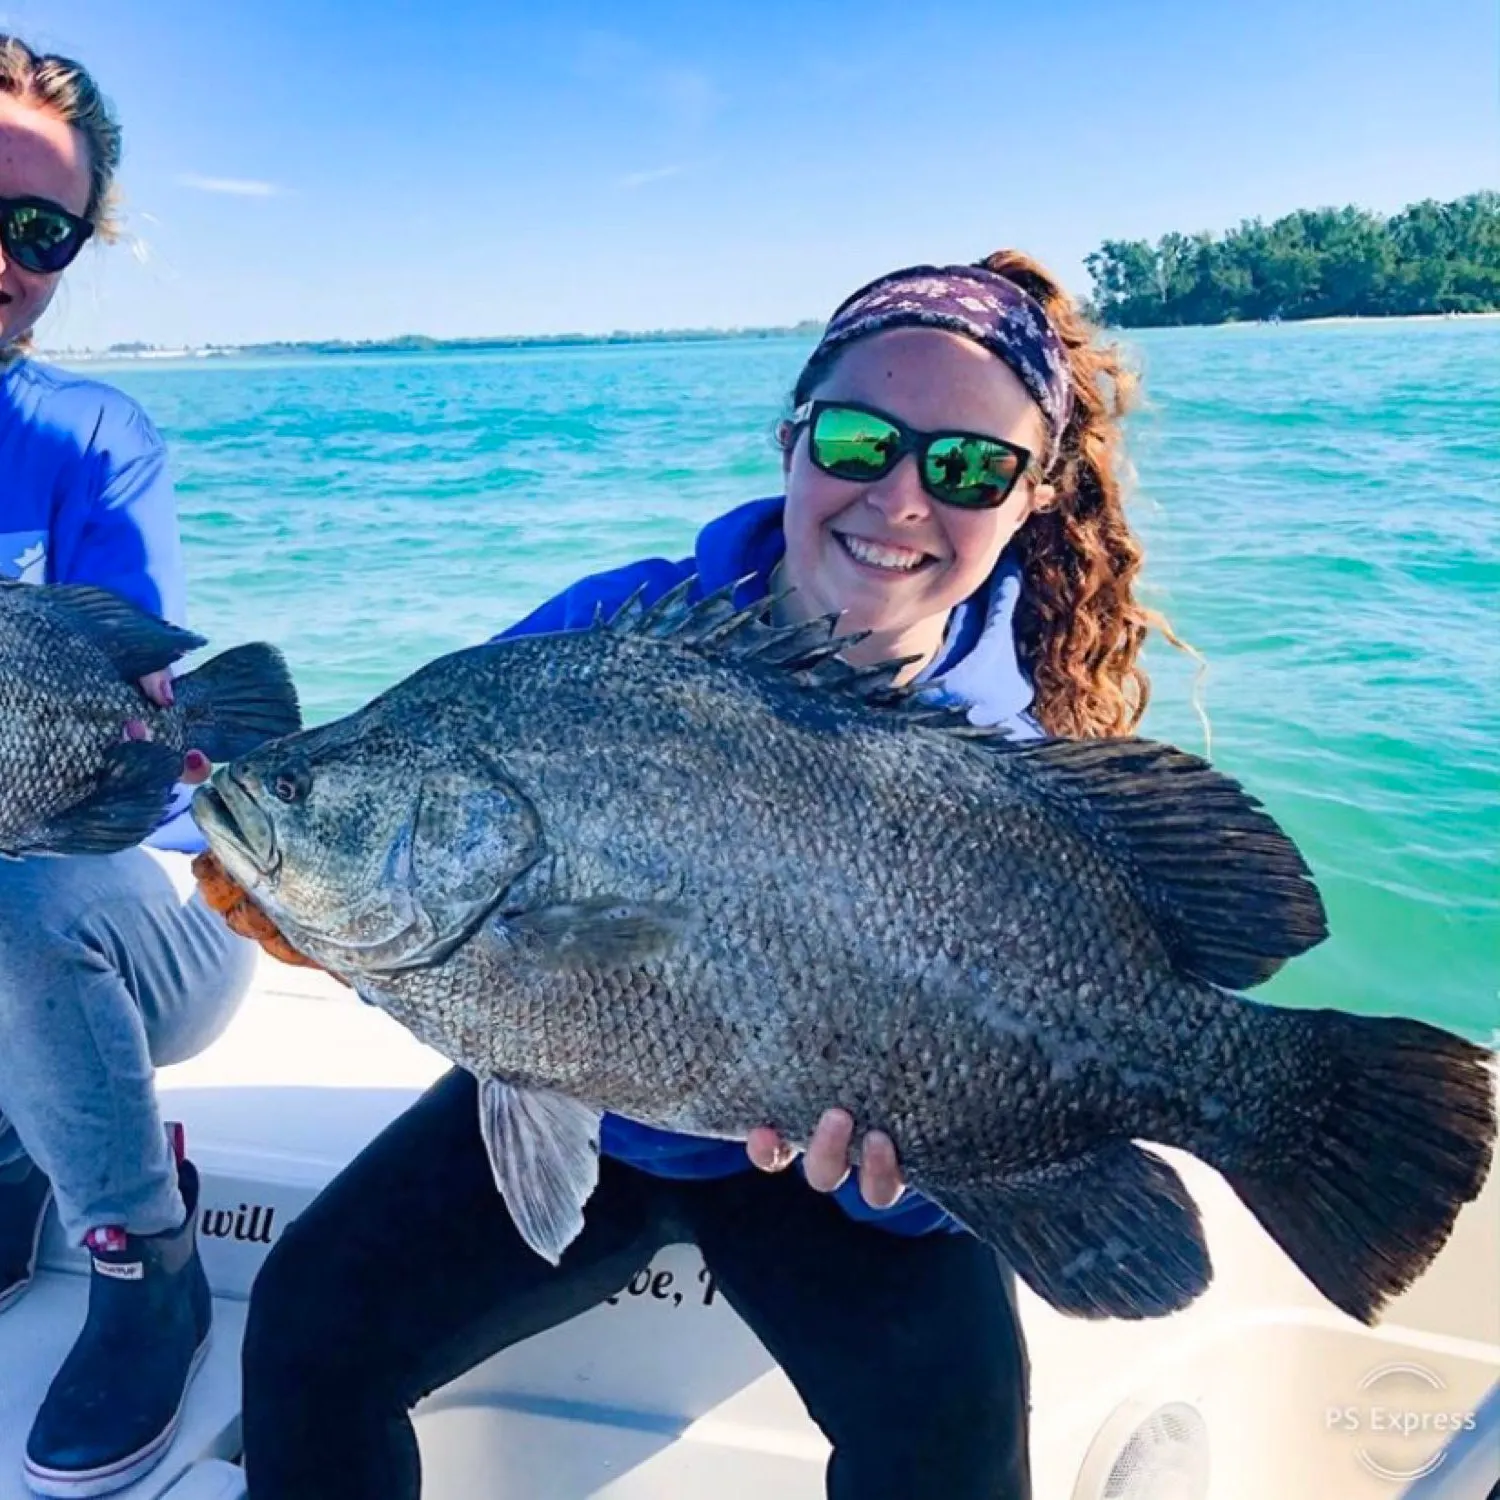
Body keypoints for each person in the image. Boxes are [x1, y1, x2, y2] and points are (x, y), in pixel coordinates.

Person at [232, 250, 1172, 1500]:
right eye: (856, 439)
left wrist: (922, 1176)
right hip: (592, 1118)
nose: (899, 498)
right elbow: (444, 917)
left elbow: (1002, 1084)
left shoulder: (1015, 769)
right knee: (305, 1328)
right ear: (790, 442)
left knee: (954, 1461)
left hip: (835, 1189)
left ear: (1034, 496)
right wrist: (312, 918)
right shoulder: (597, 636)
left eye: (965, 466)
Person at [0, 33, 257, 1499]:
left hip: (138, 926)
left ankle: (145, 1256)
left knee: (15, 897)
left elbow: (148, 763)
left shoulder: (93, 441)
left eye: (42, 231)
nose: (6, 258)